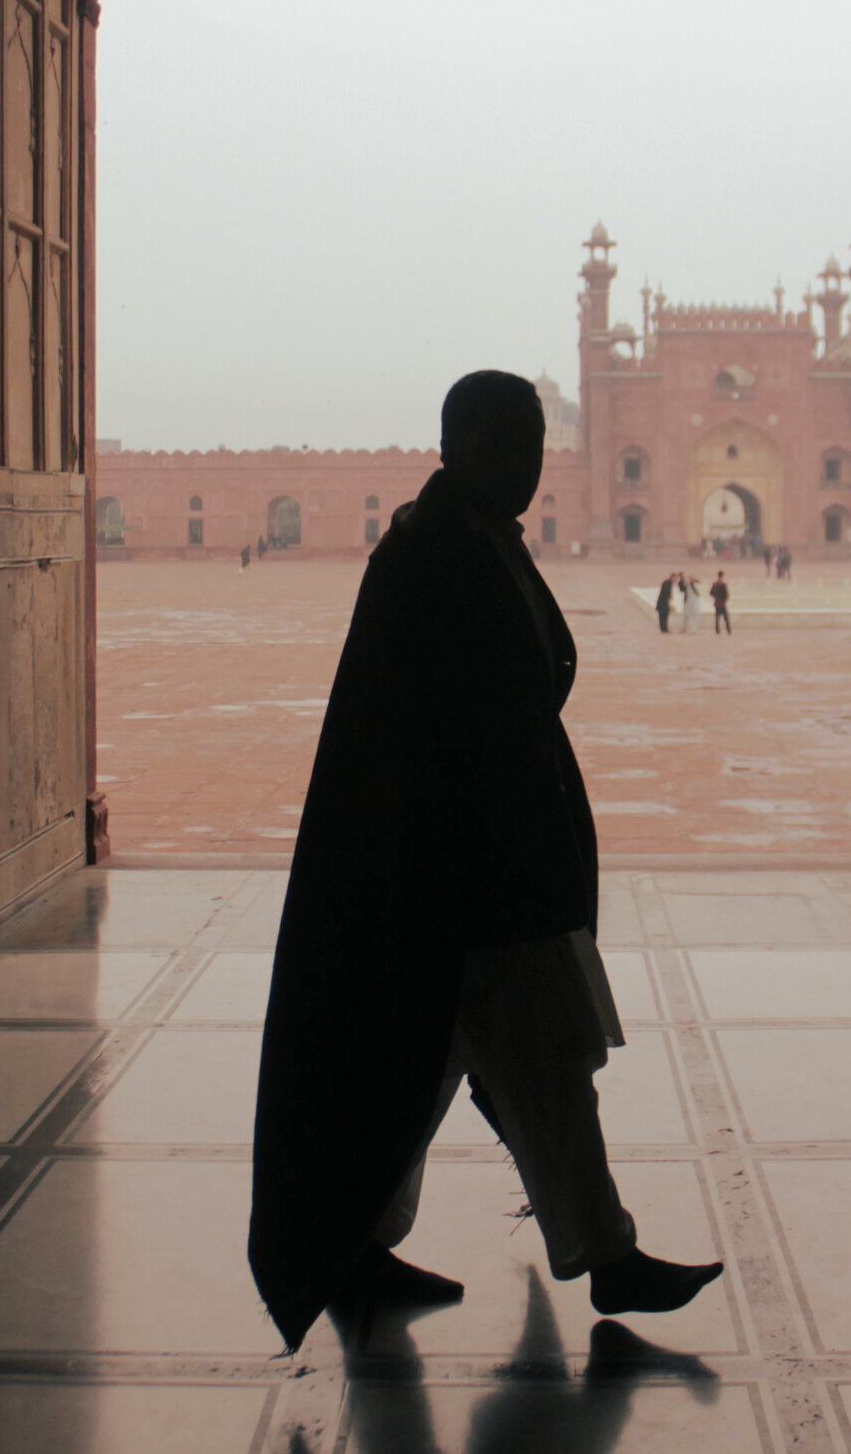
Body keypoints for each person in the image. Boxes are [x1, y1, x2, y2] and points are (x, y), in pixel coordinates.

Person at [249, 370, 722, 1349]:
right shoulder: (432, 555)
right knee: (526, 1059)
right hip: (462, 873)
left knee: (446, 1061)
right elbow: (428, 731)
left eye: (535, 445)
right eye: (505, 445)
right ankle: (602, 1256)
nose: (525, 465)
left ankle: (378, 1242)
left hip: (486, 865)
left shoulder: (469, 540)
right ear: (457, 445)